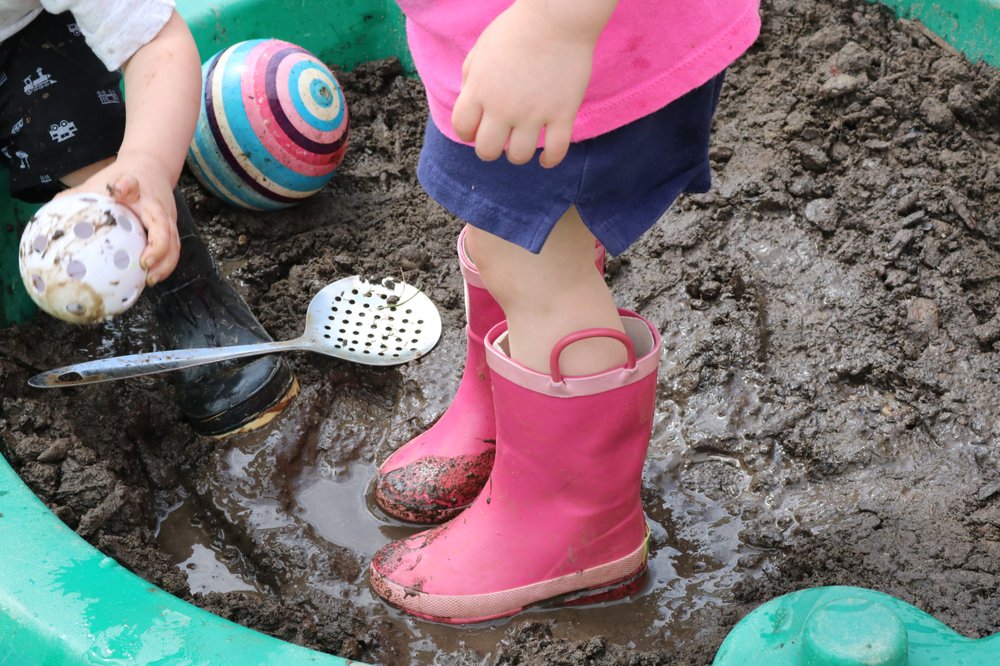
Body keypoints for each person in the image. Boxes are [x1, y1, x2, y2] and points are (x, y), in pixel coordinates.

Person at [369, 0, 761, 623]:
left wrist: (556, 25)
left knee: (537, 263)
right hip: (501, 42)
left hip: (575, 49)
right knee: (509, 230)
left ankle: (570, 527)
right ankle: (509, 427)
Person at [1, 1, 297, 437]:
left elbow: (154, 41)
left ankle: (186, 286)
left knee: (75, 121)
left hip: (21, 44)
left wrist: (146, 163)